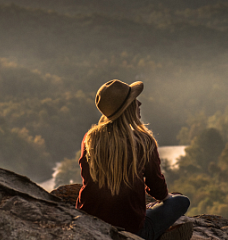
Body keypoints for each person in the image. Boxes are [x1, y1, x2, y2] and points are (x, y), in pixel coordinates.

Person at [76, 79, 191, 240]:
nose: (140, 103)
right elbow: (157, 187)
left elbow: (86, 176)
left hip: (90, 224)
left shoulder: (91, 139)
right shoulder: (143, 142)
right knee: (181, 201)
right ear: (127, 108)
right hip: (132, 231)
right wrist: (166, 198)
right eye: (134, 100)